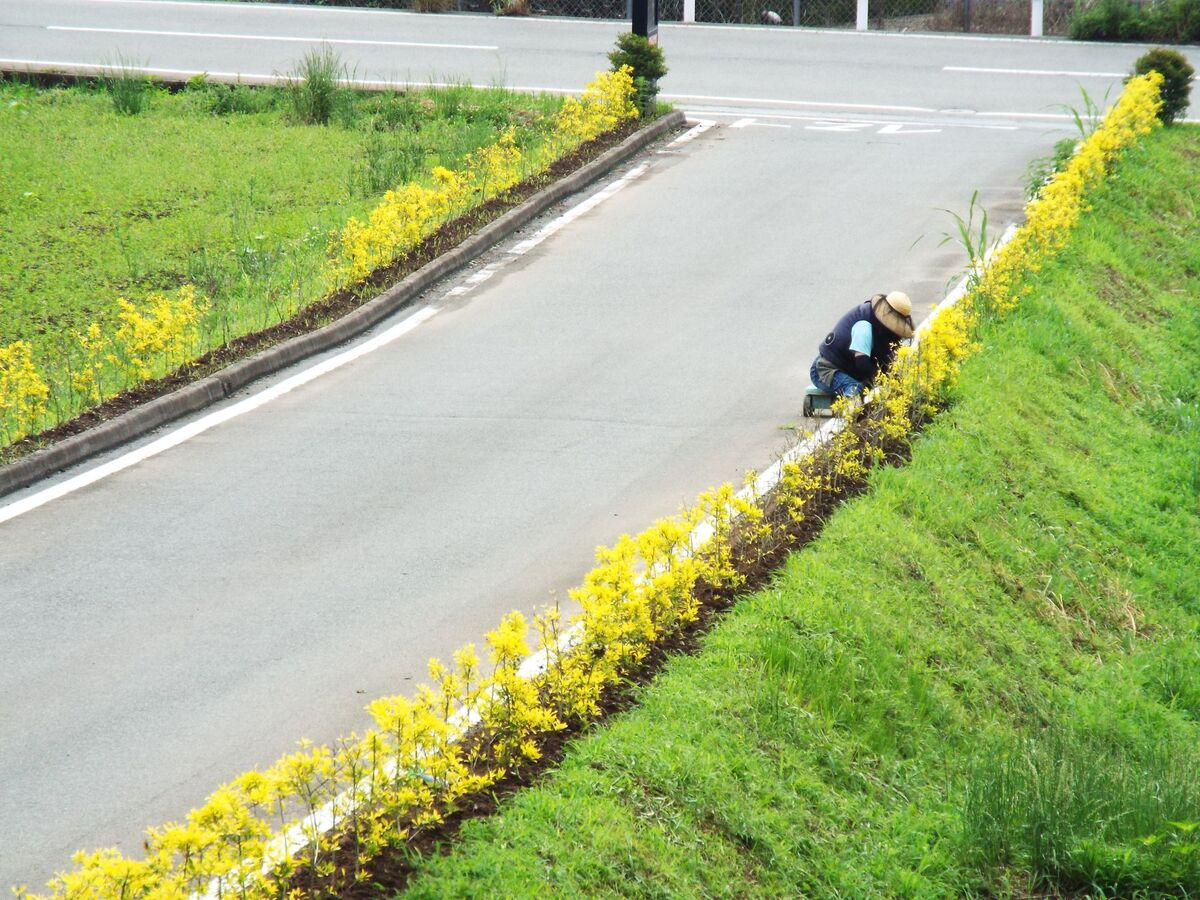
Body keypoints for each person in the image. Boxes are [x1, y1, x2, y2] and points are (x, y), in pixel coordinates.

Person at [810, 291, 915, 398]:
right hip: (826, 369)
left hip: (849, 369)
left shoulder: (880, 327)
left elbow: (886, 359)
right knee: (855, 388)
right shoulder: (864, 326)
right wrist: (879, 381)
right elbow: (862, 363)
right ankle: (846, 413)